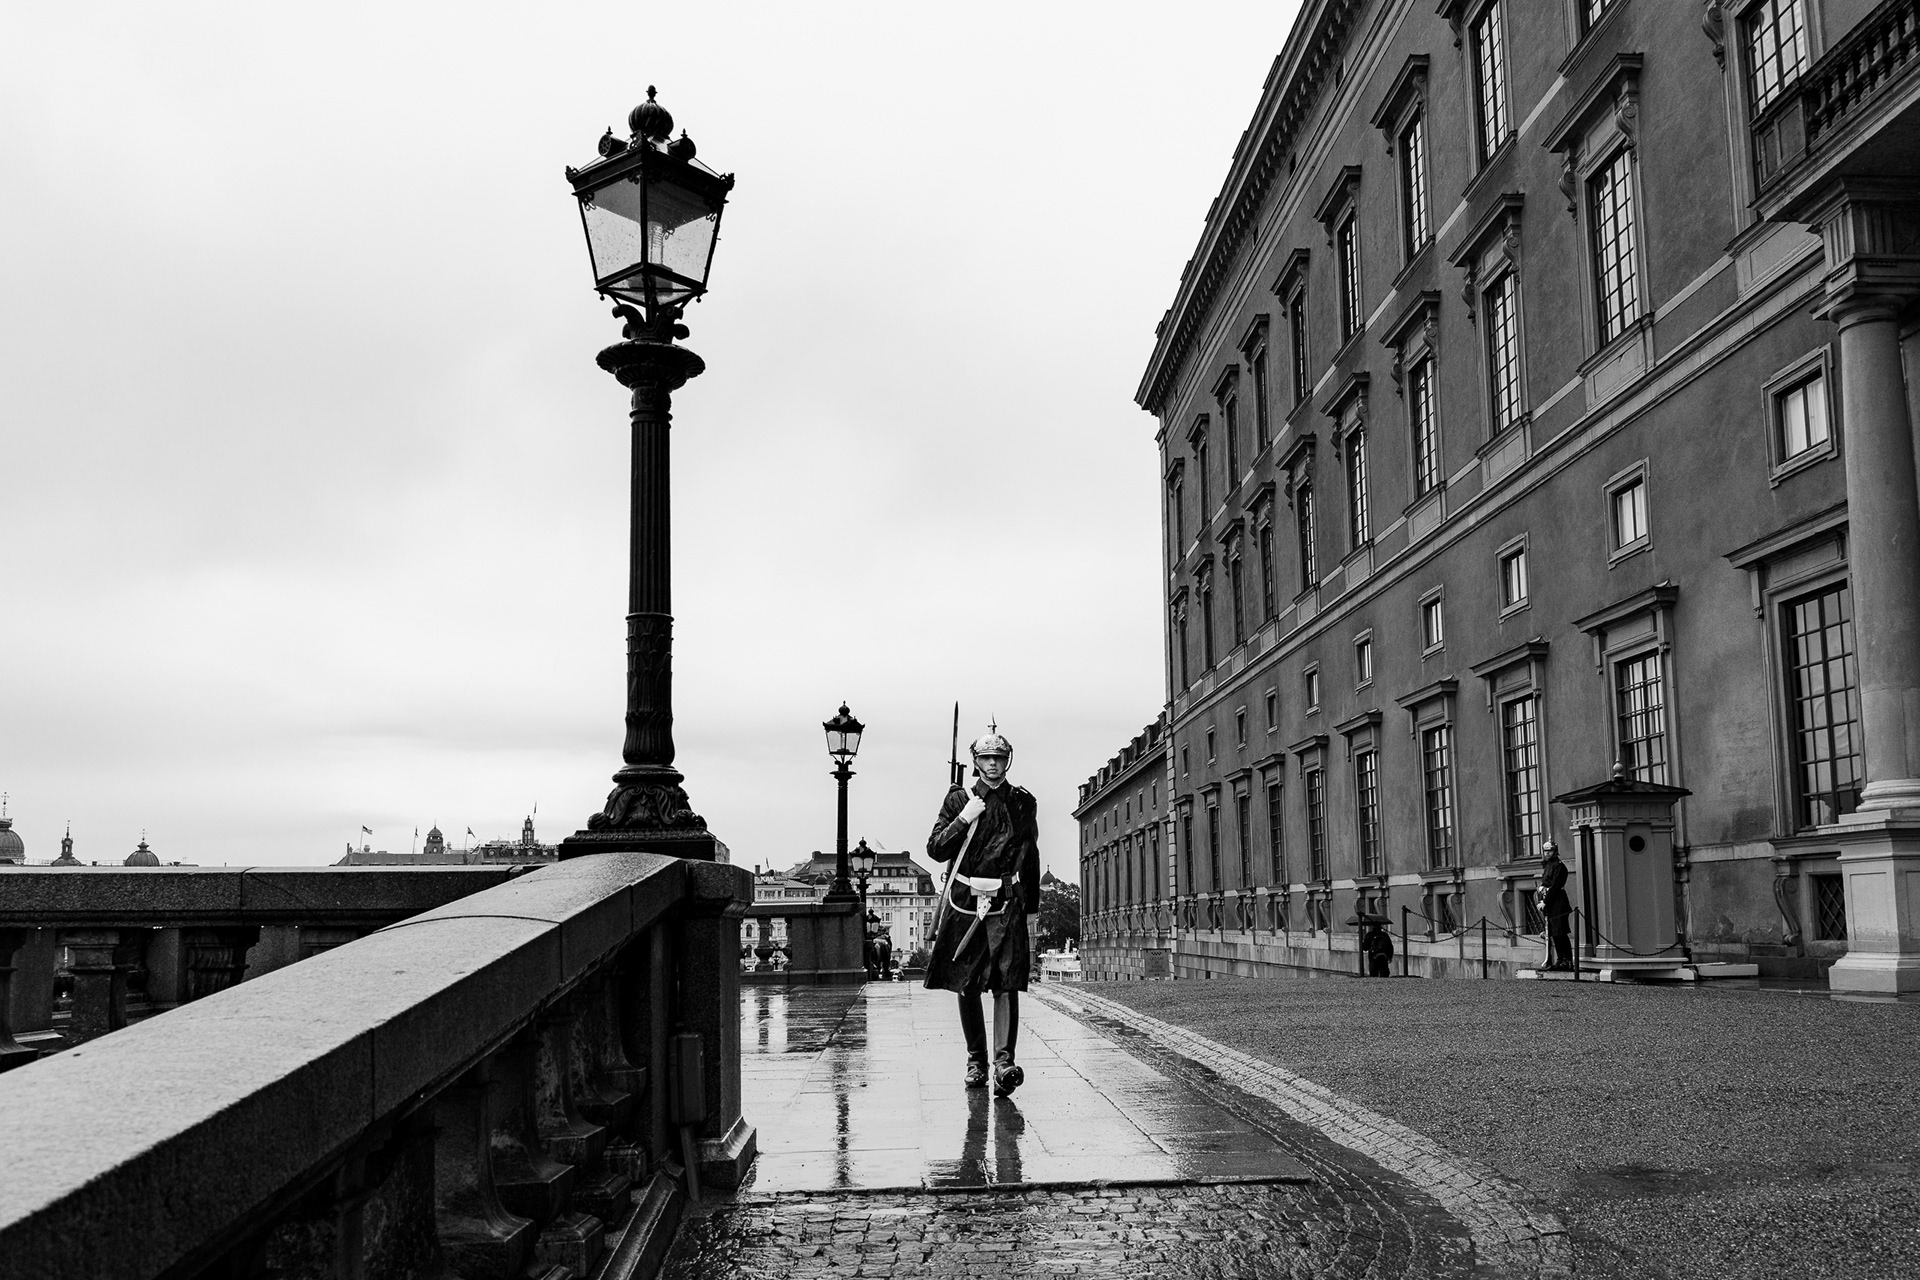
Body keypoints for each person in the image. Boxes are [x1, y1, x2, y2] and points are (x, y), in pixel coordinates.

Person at [925, 726, 1040, 1097]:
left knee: (1007, 982)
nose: (993, 764)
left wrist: (1032, 908)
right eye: (986, 758)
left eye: (999, 758)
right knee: (968, 982)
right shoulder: (959, 800)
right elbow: (936, 850)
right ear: (976, 762)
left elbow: (1031, 856)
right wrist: (963, 819)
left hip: (1006, 899)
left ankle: (1004, 1063)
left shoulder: (1023, 802)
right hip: (965, 899)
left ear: (1008, 761)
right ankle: (976, 1061)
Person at [1538, 840, 1573, 970]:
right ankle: (1560, 959)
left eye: (1550, 851)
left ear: (1555, 851)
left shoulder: (1559, 866)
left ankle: (1567, 960)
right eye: (1545, 851)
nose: (1547, 853)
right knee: (1554, 932)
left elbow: (1556, 886)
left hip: (1558, 902)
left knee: (1561, 932)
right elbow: (1547, 883)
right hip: (1551, 902)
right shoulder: (1548, 865)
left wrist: (1545, 902)